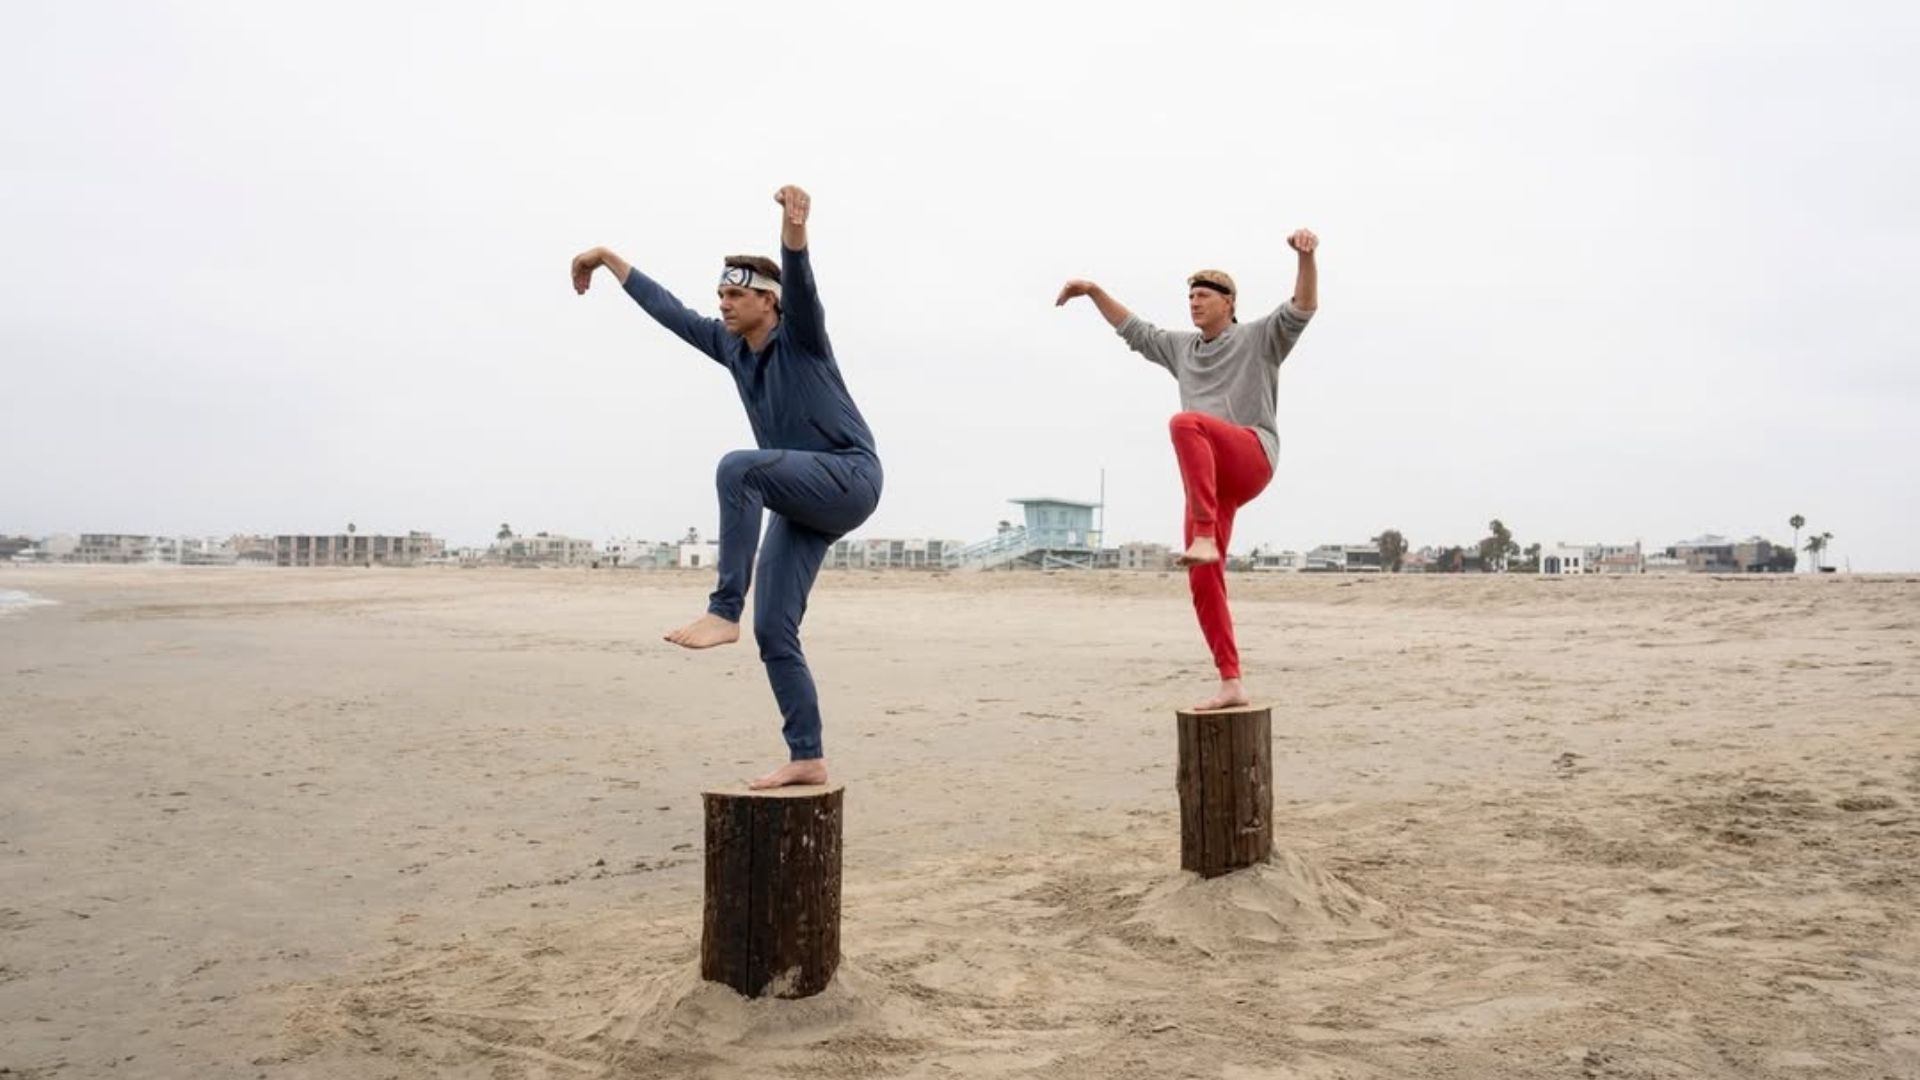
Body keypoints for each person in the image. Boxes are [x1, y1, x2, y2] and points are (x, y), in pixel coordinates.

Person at [571, 186, 881, 789]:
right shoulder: (731, 347)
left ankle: (721, 610)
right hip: (802, 498)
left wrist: (794, 231)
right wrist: (610, 259)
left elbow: (802, 279)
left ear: (769, 301)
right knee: (775, 629)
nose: (723, 306)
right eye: (720, 295)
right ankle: (806, 754)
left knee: (739, 466)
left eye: (735, 295)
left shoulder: (802, 339)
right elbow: (669, 311)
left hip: (849, 475)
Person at [1055, 229, 1319, 711]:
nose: (1194, 304)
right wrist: (1094, 292)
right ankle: (1231, 680)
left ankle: (1202, 536)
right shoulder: (1183, 350)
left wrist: (1307, 257)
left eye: (1203, 296)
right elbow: (1136, 331)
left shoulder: (1258, 338)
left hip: (1251, 455)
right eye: (1190, 297)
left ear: (1229, 303)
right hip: (1210, 483)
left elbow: (1303, 306)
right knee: (1202, 576)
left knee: (1185, 423)